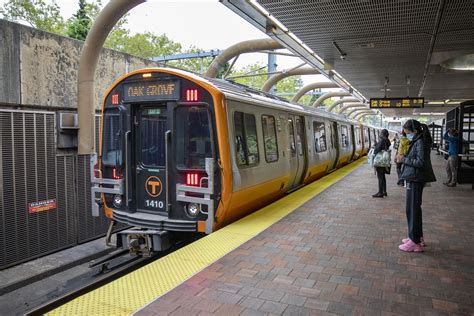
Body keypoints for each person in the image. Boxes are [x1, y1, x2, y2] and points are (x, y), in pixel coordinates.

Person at [397, 119, 436, 252]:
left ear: (414, 131)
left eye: (408, 132)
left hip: (415, 178)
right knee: (413, 209)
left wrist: (403, 159)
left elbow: (420, 162)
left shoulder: (420, 142)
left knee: (412, 210)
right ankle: (416, 237)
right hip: (414, 178)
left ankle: (415, 242)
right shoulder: (419, 141)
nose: (406, 134)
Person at [372, 129, 391, 198]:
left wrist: (375, 146)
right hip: (384, 161)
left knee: (380, 177)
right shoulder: (387, 140)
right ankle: (384, 191)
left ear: (382, 134)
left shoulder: (382, 140)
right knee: (383, 176)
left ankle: (380, 192)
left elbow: (377, 149)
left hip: (380, 161)